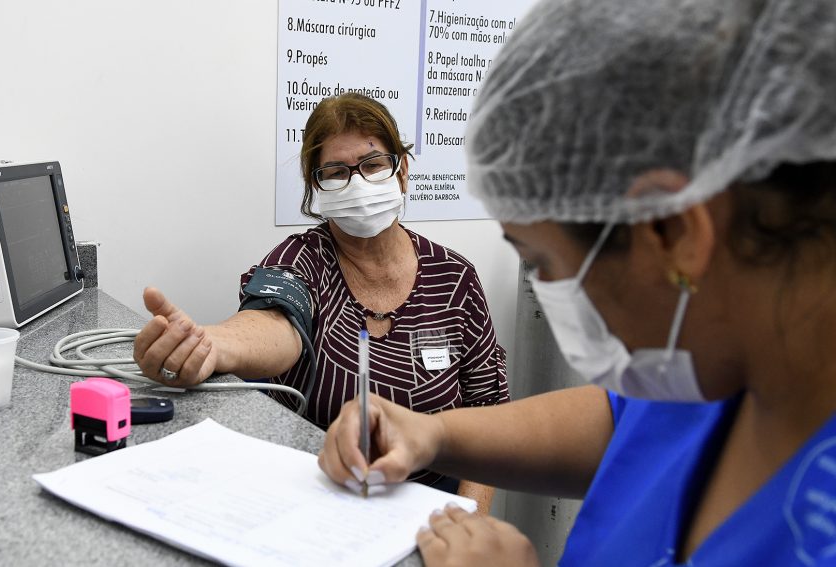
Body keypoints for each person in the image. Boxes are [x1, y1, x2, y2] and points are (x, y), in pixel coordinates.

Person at [317, 0, 836, 565]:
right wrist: (436, 433)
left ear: (672, 232)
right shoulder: (718, 356)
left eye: (543, 262)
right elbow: (627, 421)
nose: (549, 290)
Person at [132, 93, 510, 512]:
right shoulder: (301, 260)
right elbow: (276, 322)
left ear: (402, 171)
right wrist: (210, 345)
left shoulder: (455, 279)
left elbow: (489, 418)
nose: (358, 183)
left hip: (434, 508)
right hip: (320, 504)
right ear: (317, 187)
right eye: (336, 172)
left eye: (372, 165)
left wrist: (468, 522)